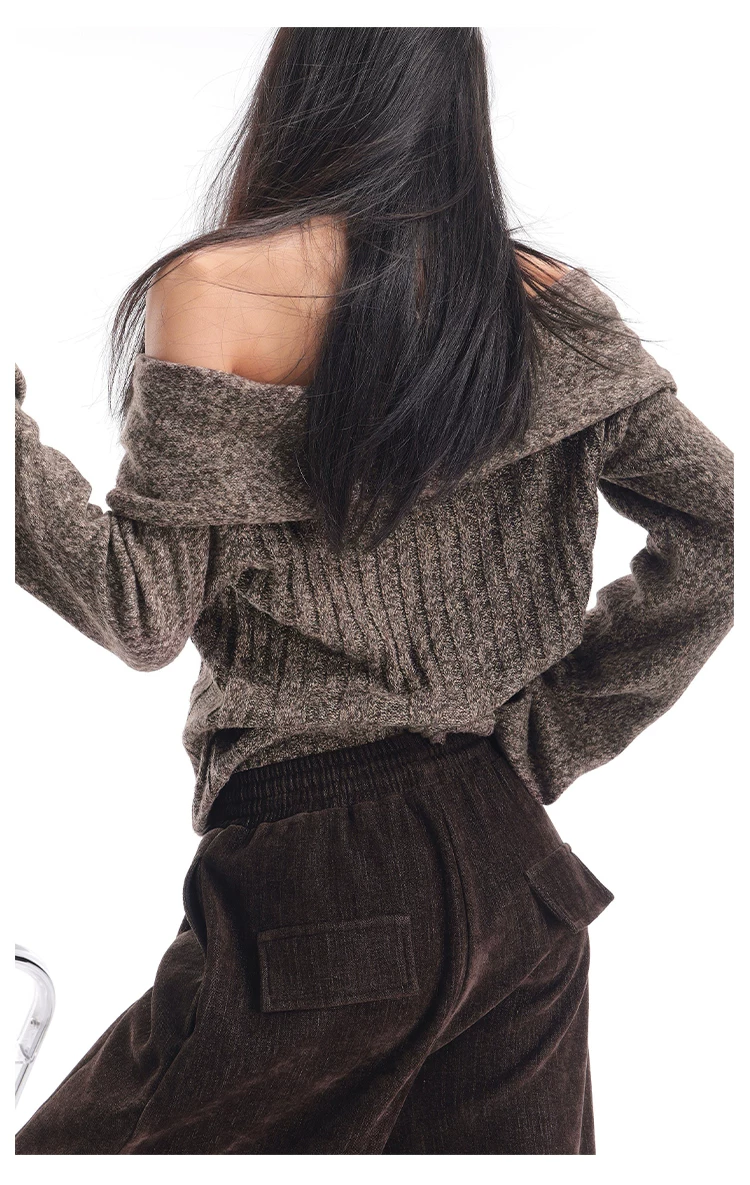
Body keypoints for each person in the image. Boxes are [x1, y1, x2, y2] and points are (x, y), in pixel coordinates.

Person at [14, 28, 733, 1155]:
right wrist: (541, 741)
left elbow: (140, 611)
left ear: (305, 81)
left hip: (319, 871)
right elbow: (723, 524)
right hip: (515, 869)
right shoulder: (543, 304)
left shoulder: (226, 287)